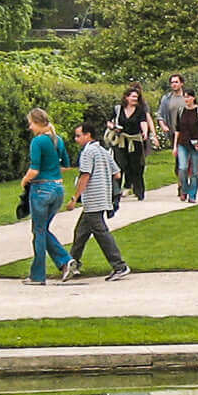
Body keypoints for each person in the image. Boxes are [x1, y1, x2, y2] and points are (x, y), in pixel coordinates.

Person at [20, 108, 77, 285]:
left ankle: (38, 275)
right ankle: (64, 261)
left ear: (37, 123)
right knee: (43, 229)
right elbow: (66, 165)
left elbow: (34, 169)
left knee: (38, 231)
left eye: (31, 123)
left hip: (41, 188)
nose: (30, 127)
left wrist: (24, 180)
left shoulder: (38, 142)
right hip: (58, 188)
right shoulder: (57, 140)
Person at [68, 120, 129, 280]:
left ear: (88, 135)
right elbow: (116, 173)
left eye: (78, 136)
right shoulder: (102, 151)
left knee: (101, 233)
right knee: (81, 232)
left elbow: (85, 176)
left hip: (93, 199)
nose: (76, 139)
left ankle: (119, 266)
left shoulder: (88, 153)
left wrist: (75, 197)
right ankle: (72, 263)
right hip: (102, 197)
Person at [106, 84, 154, 208]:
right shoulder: (118, 109)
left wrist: (144, 132)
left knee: (136, 167)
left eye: (136, 97)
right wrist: (113, 127)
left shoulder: (140, 110)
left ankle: (139, 192)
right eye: (132, 97)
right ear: (126, 97)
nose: (134, 99)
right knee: (119, 166)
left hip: (135, 141)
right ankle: (115, 192)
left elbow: (143, 122)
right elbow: (109, 121)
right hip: (121, 141)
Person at [172, 91, 198, 203]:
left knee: (195, 171)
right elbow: (177, 129)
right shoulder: (181, 111)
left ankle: (192, 195)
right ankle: (184, 189)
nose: (186, 99)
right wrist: (175, 146)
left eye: (189, 97)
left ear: (194, 98)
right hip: (183, 143)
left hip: (195, 144)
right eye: (185, 97)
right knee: (182, 168)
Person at [157, 74, 193, 141]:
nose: (174, 84)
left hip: (189, 132)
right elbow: (160, 115)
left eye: (176, 82)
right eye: (172, 82)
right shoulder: (166, 99)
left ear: (181, 83)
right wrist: (163, 126)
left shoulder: (188, 97)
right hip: (174, 133)